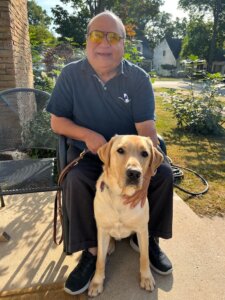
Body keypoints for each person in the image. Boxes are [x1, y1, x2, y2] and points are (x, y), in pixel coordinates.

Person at [47, 10, 173, 296]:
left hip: (130, 156)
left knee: (164, 173)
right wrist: (88, 135)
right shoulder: (70, 75)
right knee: (76, 180)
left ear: (123, 45)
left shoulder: (138, 78)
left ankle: (148, 238)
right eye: (96, 34)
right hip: (90, 156)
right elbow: (57, 121)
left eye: (113, 36)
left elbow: (147, 130)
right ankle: (91, 251)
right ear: (87, 41)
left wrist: (148, 173)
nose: (104, 42)